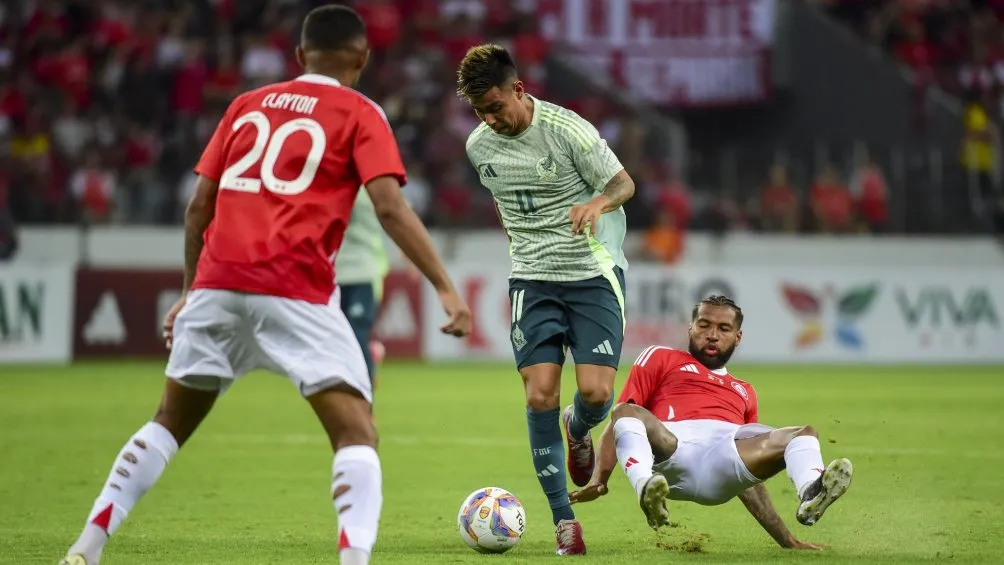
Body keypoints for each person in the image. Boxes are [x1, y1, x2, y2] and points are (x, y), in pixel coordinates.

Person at [59, 6, 471, 565]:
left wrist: (188, 291)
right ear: (362, 58)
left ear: (300, 57)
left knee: (166, 425)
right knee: (357, 433)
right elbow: (390, 208)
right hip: (294, 287)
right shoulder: (359, 111)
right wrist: (444, 286)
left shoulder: (245, 105)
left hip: (217, 284)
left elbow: (198, 206)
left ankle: (87, 546)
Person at [457, 44, 635, 555]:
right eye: (479, 112)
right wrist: (523, 246)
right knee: (538, 394)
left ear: (519, 89)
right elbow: (505, 202)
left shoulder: (567, 130)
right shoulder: (479, 147)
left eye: (495, 106)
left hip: (592, 273)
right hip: (532, 280)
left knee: (598, 395)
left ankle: (577, 428)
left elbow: (624, 182)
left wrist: (598, 201)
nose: (490, 120)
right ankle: (565, 521)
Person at [568, 296, 853, 549]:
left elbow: (749, 482)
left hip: (724, 459)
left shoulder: (744, 390)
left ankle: (811, 492)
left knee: (804, 435)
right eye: (704, 325)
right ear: (690, 328)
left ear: (738, 337)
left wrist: (786, 540)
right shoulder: (661, 357)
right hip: (673, 448)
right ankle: (646, 487)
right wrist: (599, 480)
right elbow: (620, 418)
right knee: (625, 410)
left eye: (723, 329)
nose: (712, 335)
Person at [336, 188, 390, 387]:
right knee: (337, 337)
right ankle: (371, 352)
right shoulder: (328, 180)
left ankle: (365, 402)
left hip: (364, 271)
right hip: (332, 272)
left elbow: (398, 213)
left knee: (357, 332)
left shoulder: (372, 186)